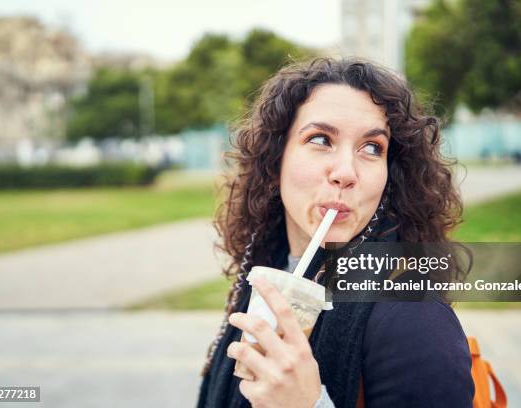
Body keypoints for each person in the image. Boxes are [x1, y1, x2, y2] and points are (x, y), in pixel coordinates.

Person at [196, 58, 474, 408]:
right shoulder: (268, 273)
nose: (346, 172)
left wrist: (308, 403)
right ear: (275, 160)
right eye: (321, 139)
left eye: (372, 148)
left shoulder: (413, 317)